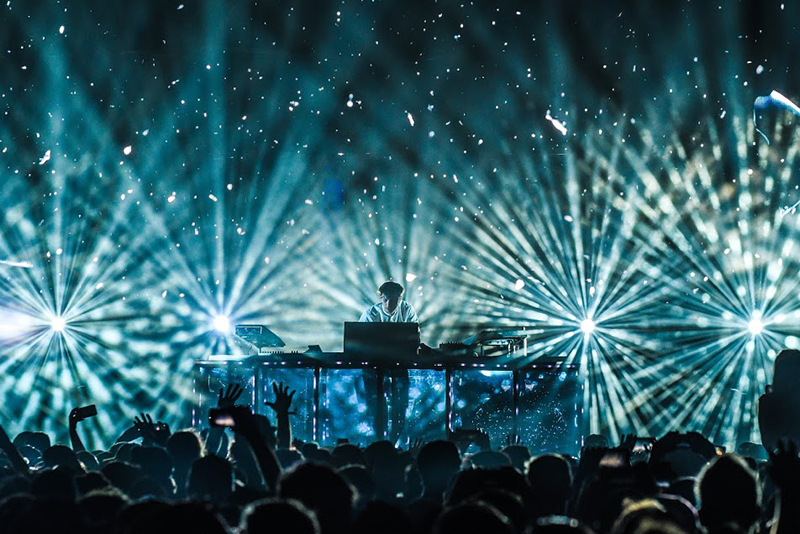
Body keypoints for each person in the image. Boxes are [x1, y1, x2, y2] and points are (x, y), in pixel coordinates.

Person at [360, 281, 419, 443]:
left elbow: (414, 337)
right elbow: (360, 342)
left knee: (400, 405)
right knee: (376, 405)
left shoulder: (407, 310)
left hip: (399, 364)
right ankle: (380, 440)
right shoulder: (371, 313)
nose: (389, 304)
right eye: (386, 300)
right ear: (380, 297)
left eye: (393, 300)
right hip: (373, 367)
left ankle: (393, 440)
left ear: (400, 298)